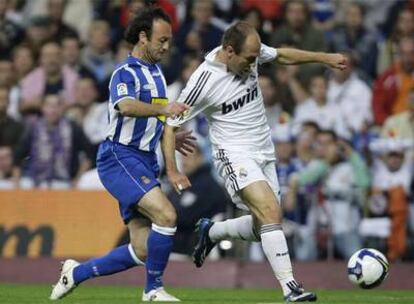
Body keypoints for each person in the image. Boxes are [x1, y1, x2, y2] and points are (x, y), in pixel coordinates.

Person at [162, 21, 346, 302]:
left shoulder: (251, 52)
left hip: (264, 151)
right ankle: (290, 288)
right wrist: (173, 170)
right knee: (270, 212)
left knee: (267, 225)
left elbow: (282, 55)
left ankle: (214, 231)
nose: (253, 64)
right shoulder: (204, 80)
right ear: (229, 51)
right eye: (248, 59)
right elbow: (169, 124)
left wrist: (324, 58)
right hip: (234, 154)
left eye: (255, 57)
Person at [50, 7, 194, 302]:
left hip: (143, 160)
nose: (166, 47)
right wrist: (163, 110)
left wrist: (166, 138)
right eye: (161, 40)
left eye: (169, 41)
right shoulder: (124, 72)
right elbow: (125, 106)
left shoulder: (157, 75)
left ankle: (75, 273)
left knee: (142, 249)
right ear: (143, 37)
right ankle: (153, 290)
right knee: (166, 215)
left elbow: (160, 120)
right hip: (119, 157)